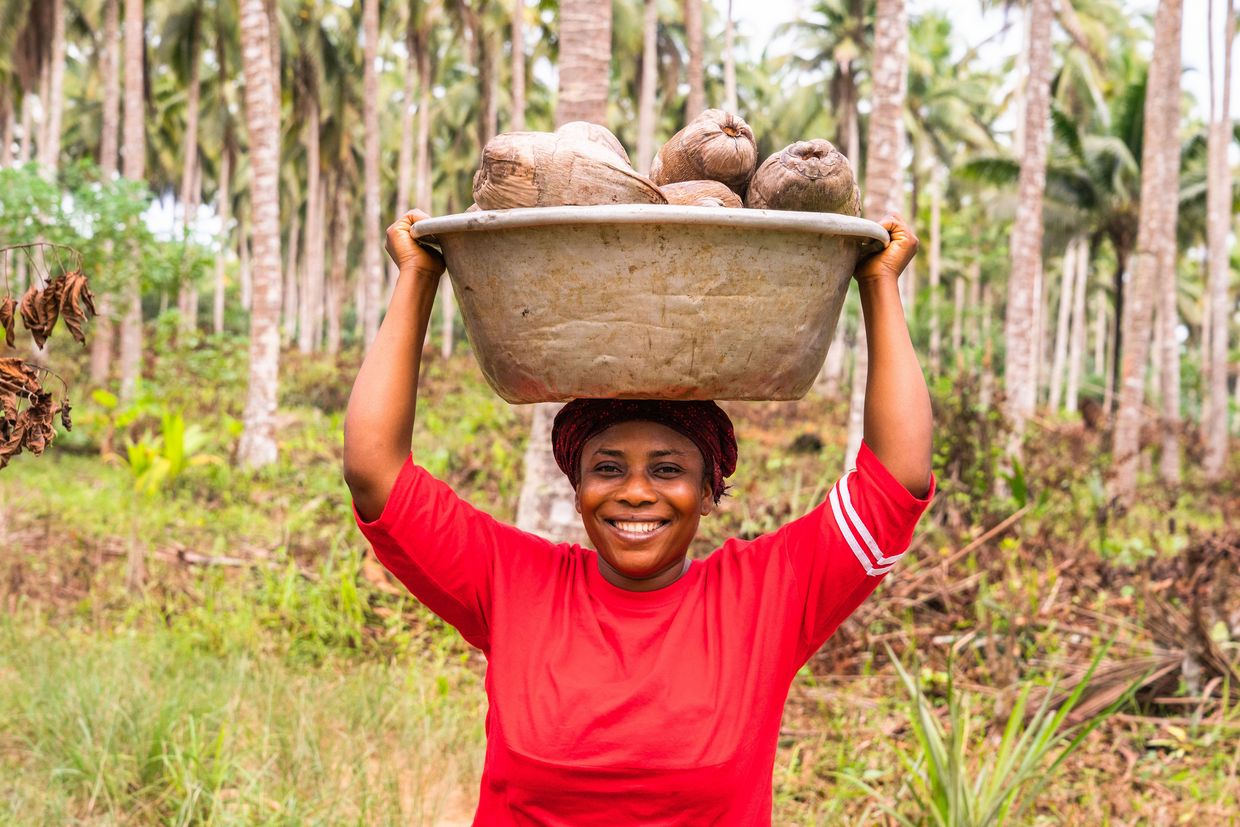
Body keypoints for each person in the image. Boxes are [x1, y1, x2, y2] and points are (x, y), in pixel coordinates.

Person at [343, 209, 934, 825]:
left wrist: (878, 285)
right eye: (606, 468)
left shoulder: (766, 596)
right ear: (576, 490)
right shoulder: (513, 582)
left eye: (667, 469)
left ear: (709, 493)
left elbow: (897, 479)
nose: (634, 492)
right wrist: (417, 277)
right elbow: (374, 471)